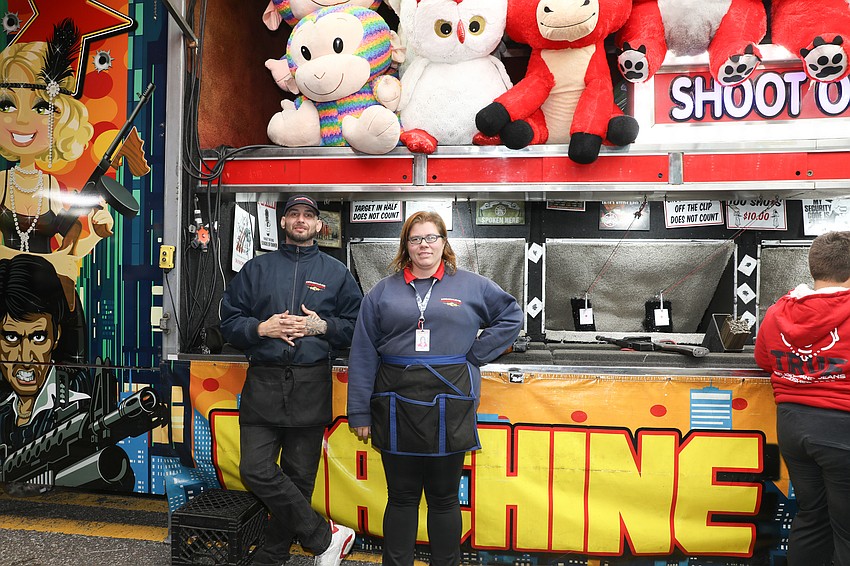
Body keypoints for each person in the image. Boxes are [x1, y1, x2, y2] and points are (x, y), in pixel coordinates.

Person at [346, 210, 523, 565]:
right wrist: (360, 412)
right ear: (405, 246)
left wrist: (475, 354)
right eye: (415, 239)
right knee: (401, 497)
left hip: (451, 402)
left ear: (444, 242)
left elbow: (512, 316)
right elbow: (363, 352)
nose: (423, 245)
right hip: (395, 404)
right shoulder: (382, 292)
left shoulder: (472, 285)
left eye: (431, 238)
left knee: (443, 499)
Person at [220, 195, 363, 566]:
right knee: (255, 469)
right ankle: (324, 536)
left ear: (319, 226)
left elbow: (358, 326)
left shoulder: (337, 273)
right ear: (283, 223)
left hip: (311, 385)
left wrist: (323, 326)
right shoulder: (256, 269)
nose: (301, 220)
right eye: (294, 214)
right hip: (263, 384)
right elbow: (228, 323)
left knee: (300, 478)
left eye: (308, 216)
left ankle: (273, 554)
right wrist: (260, 328)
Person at [0, 23, 114, 364]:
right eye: (7, 104)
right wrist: (51, 262)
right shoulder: (1, 184)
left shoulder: (52, 187)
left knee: (69, 367)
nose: (21, 121)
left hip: (47, 308)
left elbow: (73, 246)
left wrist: (99, 230)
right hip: (6, 303)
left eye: (40, 108)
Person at [755, 230, 850, 566]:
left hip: (794, 427)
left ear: (813, 269)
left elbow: (765, 361)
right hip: (841, 430)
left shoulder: (778, 311)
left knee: (812, 516)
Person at [0, 254, 90, 451]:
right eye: (12, 337)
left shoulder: (79, 410)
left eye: (38, 337)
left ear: (56, 336)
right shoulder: (4, 411)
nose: (25, 356)